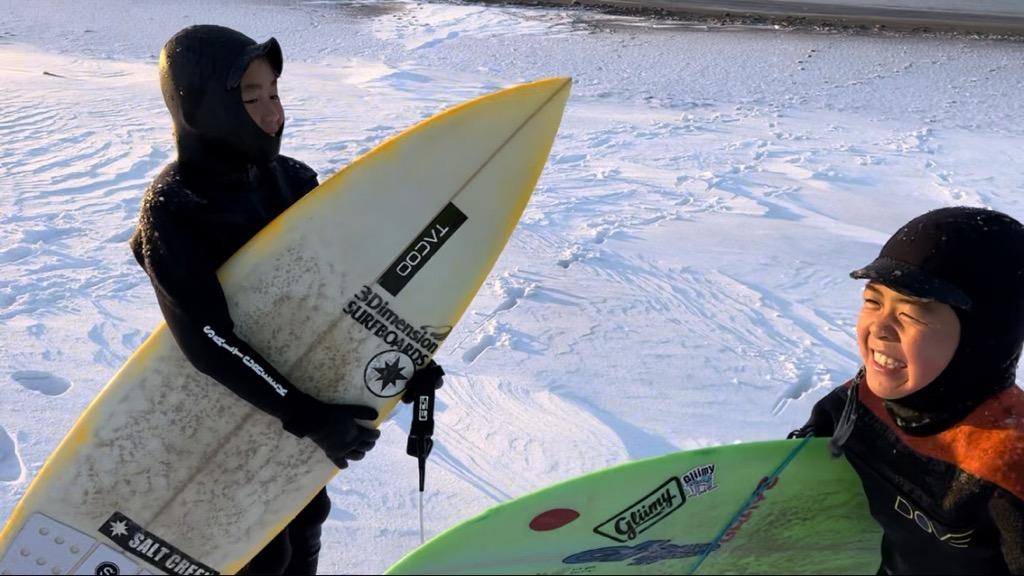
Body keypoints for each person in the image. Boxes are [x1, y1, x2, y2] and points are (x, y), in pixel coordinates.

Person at [130, 25, 444, 574]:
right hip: (221, 423)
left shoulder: (293, 181)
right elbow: (205, 340)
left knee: (306, 524)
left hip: (298, 416)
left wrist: (399, 355)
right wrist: (307, 416)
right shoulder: (175, 207)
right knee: (259, 552)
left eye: (274, 93)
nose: (272, 110)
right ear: (201, 108)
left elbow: (337, 291)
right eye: (250, 98)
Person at [790, 206, 1024, 574]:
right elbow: (813, 447)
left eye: (911, 313)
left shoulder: (1007, 466)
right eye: (873, 302)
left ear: (982, 339)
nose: (880, 329)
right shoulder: (862, 401)